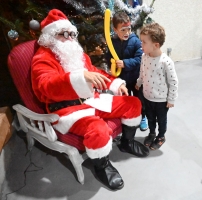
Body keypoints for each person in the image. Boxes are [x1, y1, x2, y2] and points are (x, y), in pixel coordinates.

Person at [31, 9, 149, 191]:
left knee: (133, 103)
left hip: (90, 100)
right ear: (50, 36)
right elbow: (46, 86)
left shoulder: (77, 54)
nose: (70, 38)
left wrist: (115, 83)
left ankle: (127, 143)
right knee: (98, 130)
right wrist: (79, 78)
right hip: (68, 110)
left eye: (72, 33)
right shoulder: (42, 58)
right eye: (64, 34)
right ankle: (102, 166)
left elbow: (96, 73)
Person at [135, 23, 179, 150]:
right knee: (150, 118)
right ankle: (152, 133)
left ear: (156, 45)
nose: (141, 45)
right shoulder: (144, 57)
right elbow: (142, 72)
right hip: (147, 96)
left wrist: (171, 99)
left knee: (161, 120)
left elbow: (173, 82)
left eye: (143, 42)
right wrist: (139, 82)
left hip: (161, 100)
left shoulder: (166, 62)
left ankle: (161, 136)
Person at [106, 11, 148, 132]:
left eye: (128, 29)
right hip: (122, 79)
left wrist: (125, 63)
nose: (127, 32)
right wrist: (111, 65)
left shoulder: (135, 41)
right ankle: (125, 117)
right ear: (115, 29)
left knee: (139, 99)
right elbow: (108, 57)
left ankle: (142, 116)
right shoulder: (112, 42)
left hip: (135, 78)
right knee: (123, 99)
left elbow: (140, 59)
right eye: (123, 30)